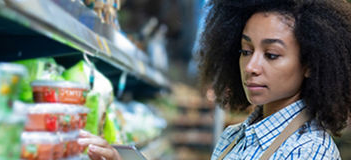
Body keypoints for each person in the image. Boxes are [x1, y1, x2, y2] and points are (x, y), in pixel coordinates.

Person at [78, 0, 351, 159]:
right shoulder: (233, 137)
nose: (251, 66)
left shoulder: (310, 152)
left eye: (271, 54)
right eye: (246, 51)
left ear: (310, 65)